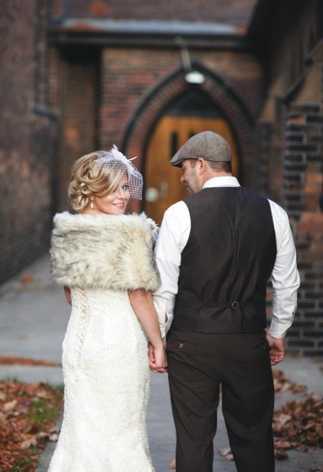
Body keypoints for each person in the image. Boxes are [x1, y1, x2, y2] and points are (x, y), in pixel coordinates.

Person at [151, 131, 300, 472]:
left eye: (186, 168)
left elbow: (165, 288)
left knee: (193, 438)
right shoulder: (273, 213)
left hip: (191, 341)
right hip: (248, 339)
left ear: (201, 165)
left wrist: (158, 340)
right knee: (253, 437)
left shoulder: (179, 214)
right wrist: (277, 330)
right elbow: (287, 282)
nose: (183, 176)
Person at [49, 146, 167, 472]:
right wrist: (157, 342)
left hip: (79, 341)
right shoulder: (130, 231)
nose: (123, 196)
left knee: (81, 431)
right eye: (113, 188)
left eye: (126, 187)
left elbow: (71, 296)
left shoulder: (67, 230)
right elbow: (139, 296)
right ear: (92, 190)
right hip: (118, 342)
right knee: (122, 432)